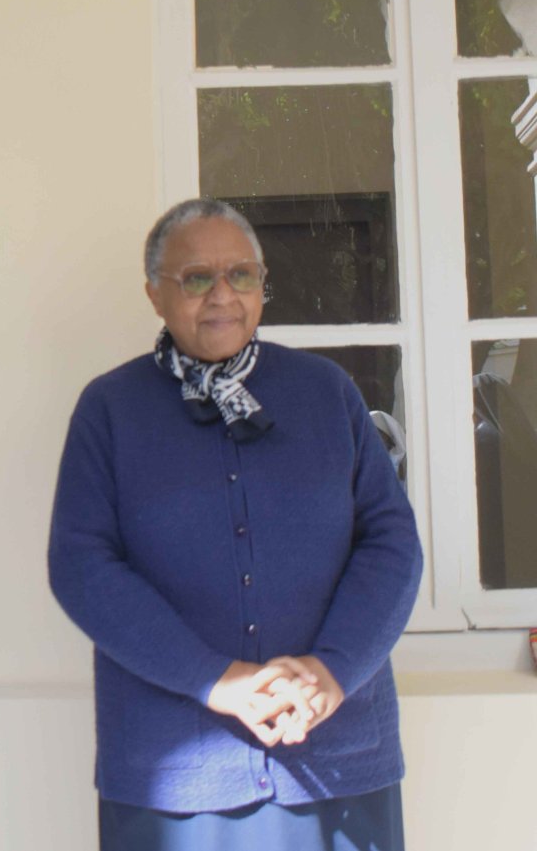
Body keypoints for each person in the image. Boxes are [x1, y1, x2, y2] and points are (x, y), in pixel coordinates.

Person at [48, 198, 422, 850]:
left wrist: (332, 671)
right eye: (197, 277)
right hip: (177, 775)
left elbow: (392, 544)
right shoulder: (110, 409)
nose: (222, 294)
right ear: (155, 293)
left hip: (333, 752)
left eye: (241, 274)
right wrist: (217, 680)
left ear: (262, 282)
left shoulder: (327, 392)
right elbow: (81, 566)